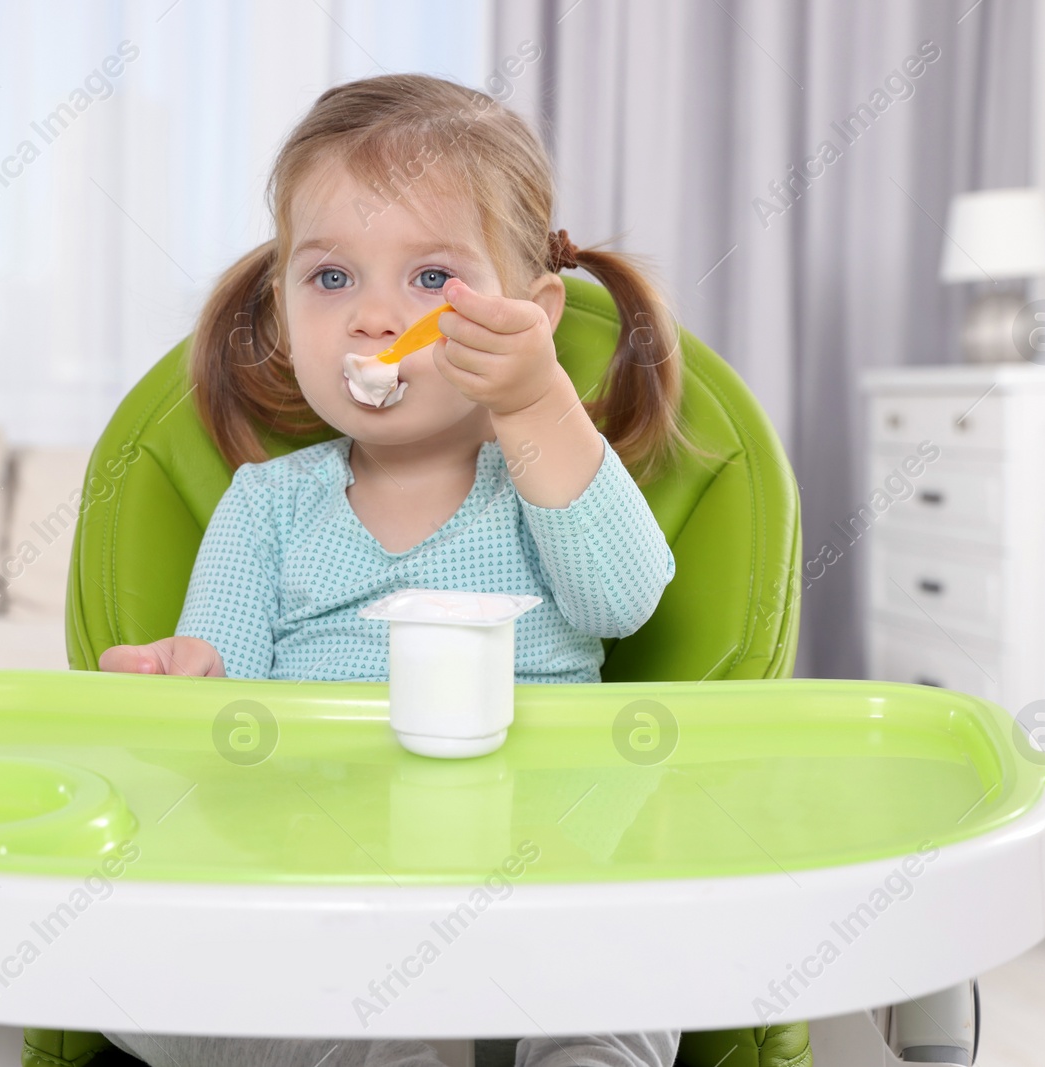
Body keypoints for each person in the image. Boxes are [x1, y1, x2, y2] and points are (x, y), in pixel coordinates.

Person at [99, 71, 687, 1067]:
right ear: (282, 313)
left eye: (428, 280)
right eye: (330, 279)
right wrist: (179, 686)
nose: (375, 318)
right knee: (137, 972)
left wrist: (538, 400)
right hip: (322, 885)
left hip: (544, 872)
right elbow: (222, 712)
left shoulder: (544, 478)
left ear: (531, 312)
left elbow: (622, 600)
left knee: (637, 968)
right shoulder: (267, 507)